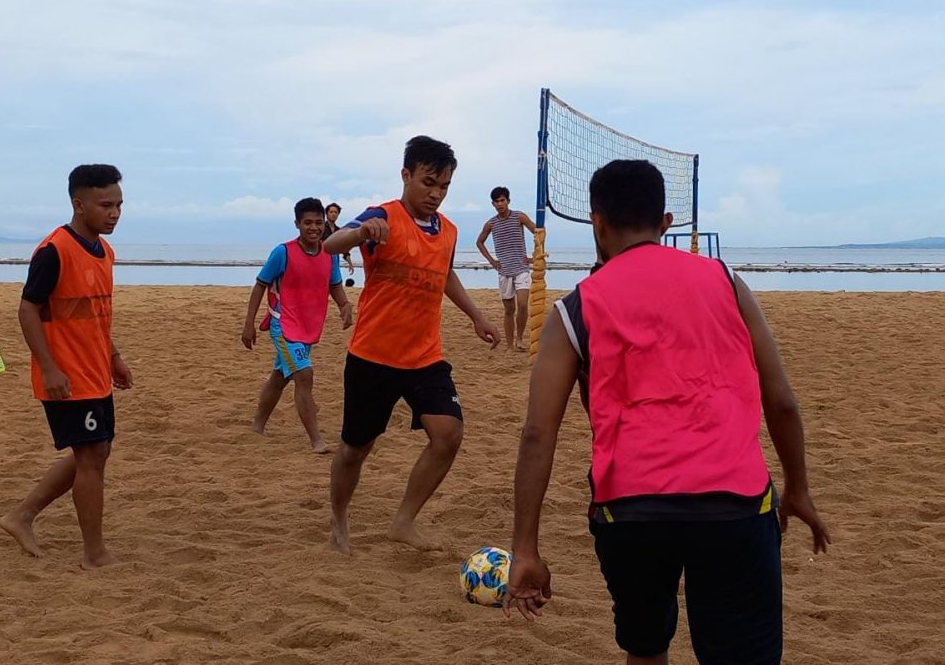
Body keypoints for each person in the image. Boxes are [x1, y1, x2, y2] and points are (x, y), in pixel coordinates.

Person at [504, 160, 831, 664]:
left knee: (647, 648)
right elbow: (782, 400)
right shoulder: (726, 281)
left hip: (632, 511)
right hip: (735, 503)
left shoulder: (576, 307)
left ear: (596, 222)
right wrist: (799, 487)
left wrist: (525, 548)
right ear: (667, 222)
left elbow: (536, 434)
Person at [324, 135, 501, 554]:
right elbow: (329, 246)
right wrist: (361, 231)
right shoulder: (382, 216)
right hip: (373, 356)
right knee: (355, 449)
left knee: (449, 434)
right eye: (428, 182)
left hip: (425, 356)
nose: (435, 194)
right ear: (406, 175)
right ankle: (338, 521)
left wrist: (476, 316)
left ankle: (403, 521)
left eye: (443, 187)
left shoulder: (450, 231)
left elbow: (445, 275)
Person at [0, 164, 133, 570]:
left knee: (97, 452)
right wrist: (50, 367)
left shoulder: (105, 251)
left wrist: (114, 356)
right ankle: (94, 553)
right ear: (79, 204)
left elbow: (94, 315)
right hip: (67, 377)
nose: (114, 213)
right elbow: (27, 310)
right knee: (91, 456)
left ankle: (21, 516)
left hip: (96, 371)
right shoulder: (55, 249)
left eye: (119, 205)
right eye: (105, 204)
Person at [242, 198, 354, 453]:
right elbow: (260, 284)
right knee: (304, 376)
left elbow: (334, 284)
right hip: (282, 325)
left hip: (308, 328)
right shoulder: (283, 252)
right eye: (307, 223)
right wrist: (248, 323)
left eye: (318, 222)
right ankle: (317, 440)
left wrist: (344, 305)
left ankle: (258, 425)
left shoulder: (329, 253)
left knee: (280, 377)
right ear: (297, 224)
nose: (313, 228)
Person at [475, 186, 536, 350]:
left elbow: (538, 232)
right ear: (493, 204)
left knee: (523, 304)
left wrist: (535, 256)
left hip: (521, 267)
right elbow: (479, 242)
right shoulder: (491, 224)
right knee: (509, 309)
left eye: (503, 200)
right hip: (504, 270)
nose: (500, 204)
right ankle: (510, 345)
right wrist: (492, 261)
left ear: (508, 201)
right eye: (497, 201)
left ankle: (520, 338)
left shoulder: (519, 217)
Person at [323, 202, 356, 276]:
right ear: (327, 213)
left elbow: (344, 247)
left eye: (336, 212)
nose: (333, 214)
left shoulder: (339, 231)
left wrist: (350, 263)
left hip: (335, 261)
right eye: (331, 212)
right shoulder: (321, 228)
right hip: (322, 259)